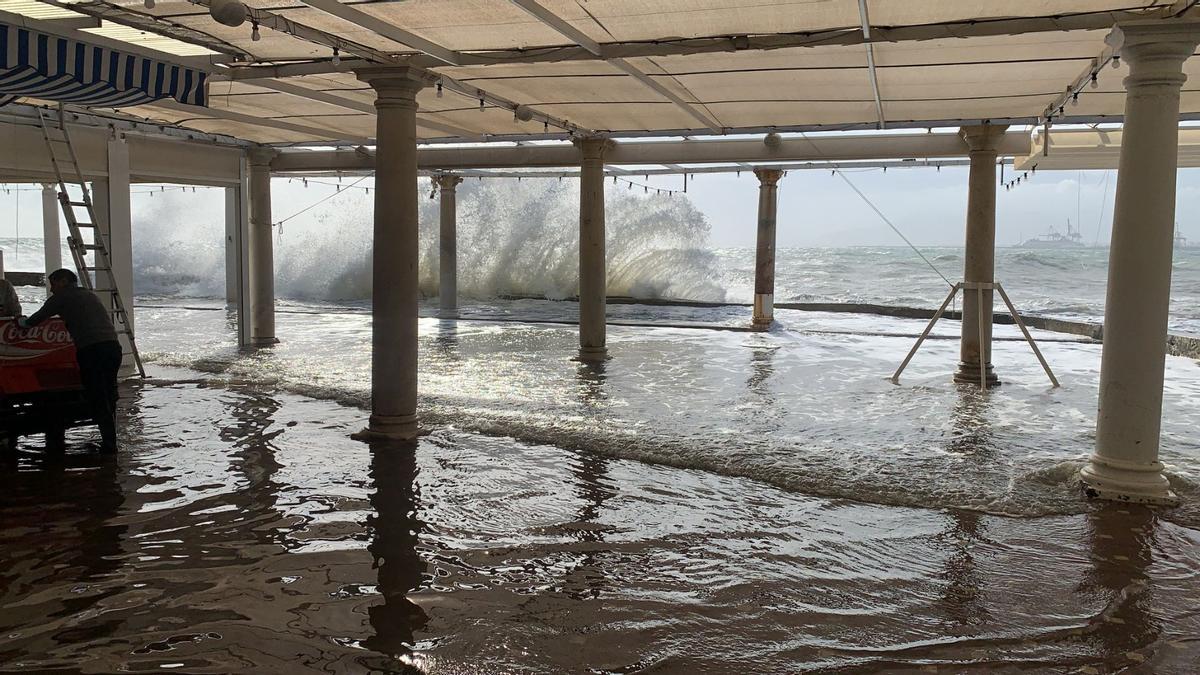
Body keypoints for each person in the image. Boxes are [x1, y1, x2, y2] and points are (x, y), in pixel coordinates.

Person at [19, 269, 121, 453]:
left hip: (92, 350)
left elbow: (36, 319)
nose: (51, 290)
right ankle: (111, 439)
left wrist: (21, 323)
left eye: (53, 284)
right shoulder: (88, 294)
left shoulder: (62, 297)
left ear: (64, 281)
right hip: (113, 348)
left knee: (98, 397)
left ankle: (109, 445)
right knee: (109, 394)